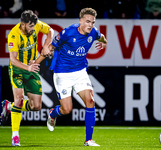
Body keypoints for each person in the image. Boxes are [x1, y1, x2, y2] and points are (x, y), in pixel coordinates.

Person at [46, 8, 107, 146]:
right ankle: (53, 113)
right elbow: (53, 45)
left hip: (80, 72)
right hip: (62, 73)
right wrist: (46, 51)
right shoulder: (68, 32)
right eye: (87, 21)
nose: (90, 25)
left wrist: (105, 42)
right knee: (66, 110)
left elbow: (101, 36)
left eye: (92, 22)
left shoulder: (93, 32)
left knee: (90, 101)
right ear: (80, 21)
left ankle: (88, 140)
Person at [1, 10, 54, 146]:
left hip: (32, 68)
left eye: (33, 26)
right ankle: (15, 137)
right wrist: (28, 67)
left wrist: (46, 45)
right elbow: (12, 60)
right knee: (19, 100)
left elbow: (50, 31)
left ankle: (8, 106)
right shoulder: (14, 34)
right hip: (18, 70)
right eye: (30, 26)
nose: (33, 29)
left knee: (36, 106)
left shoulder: (35, 24)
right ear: (23, 24)